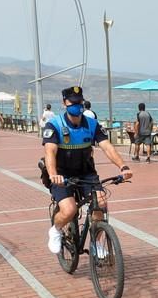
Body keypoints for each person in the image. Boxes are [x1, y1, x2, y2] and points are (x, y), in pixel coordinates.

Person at [44, 86, 133, 254]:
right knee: (70, 210)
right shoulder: (54, 124)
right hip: (62, 174)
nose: (77, 106)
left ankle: (97, 243)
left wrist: (123, 166)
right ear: (65, 103)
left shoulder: (92, 124)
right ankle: (55, 230)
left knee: (100, 205)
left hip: (86, 173)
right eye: (73, 103)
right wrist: (53, 174)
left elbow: (107, 147)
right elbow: (50, 152)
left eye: (80, 102)